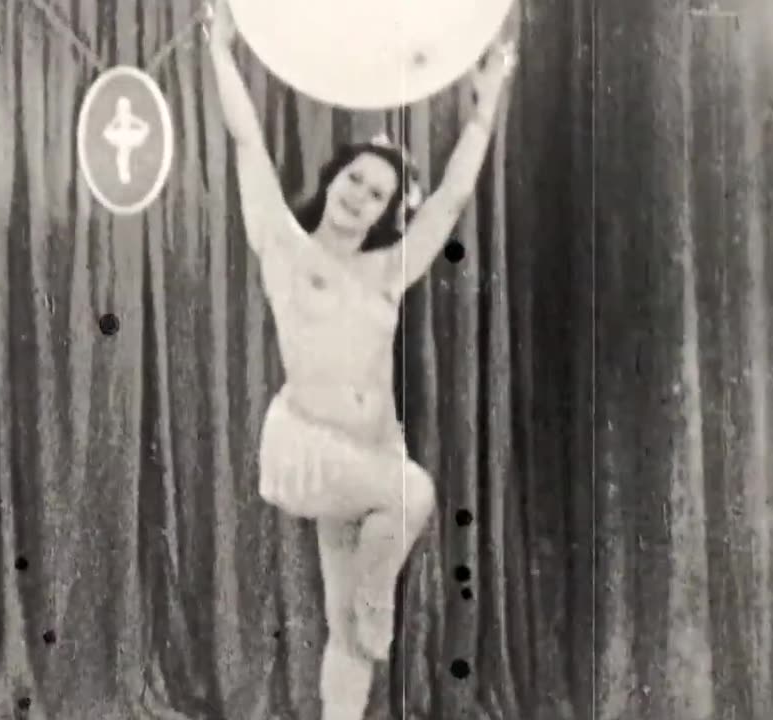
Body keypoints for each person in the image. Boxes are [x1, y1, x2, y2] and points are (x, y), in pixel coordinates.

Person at [206, 1, 516, 718]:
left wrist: (485, 106)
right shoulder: (285, 248)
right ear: (334, 176)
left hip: (372, 450)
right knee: (411, 499)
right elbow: (249, 145)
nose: (360, 198)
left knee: (350, 632)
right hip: (315, 451)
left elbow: (449, 198)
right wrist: (221, 53)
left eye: (377, 194)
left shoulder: (385, 269)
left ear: (384, 210)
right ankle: (376, 608)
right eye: (354, 181)